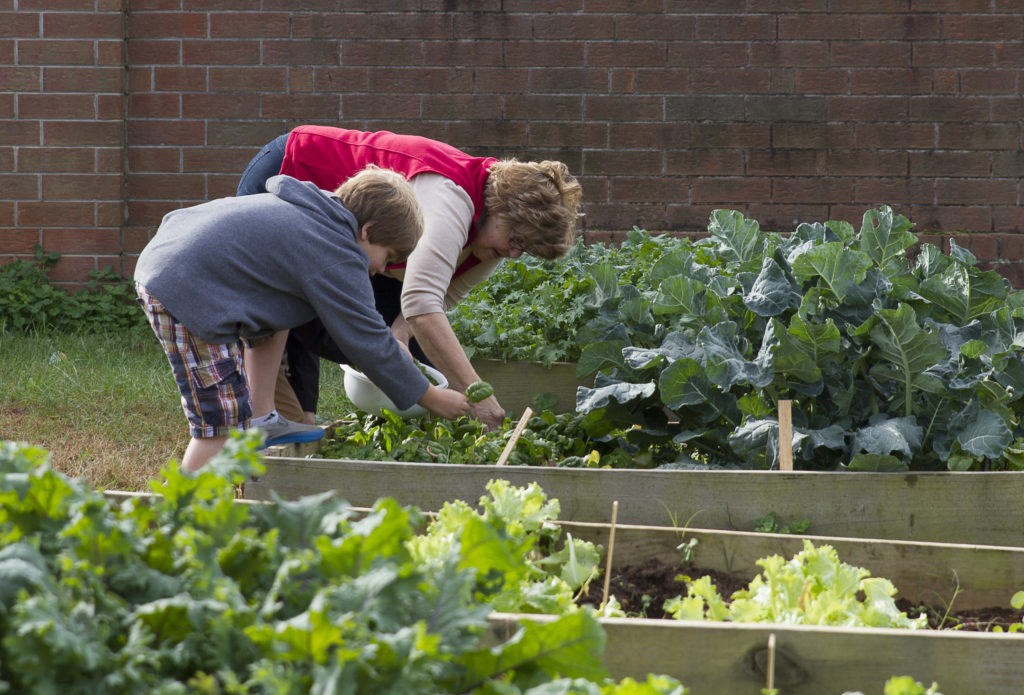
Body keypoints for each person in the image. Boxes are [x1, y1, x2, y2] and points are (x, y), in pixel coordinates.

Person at [236, 125, 584, 429]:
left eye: (524, 249)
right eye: (516, 240)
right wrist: (479, 394)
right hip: (292, 172)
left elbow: (437, 298)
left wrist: (398, 336)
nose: (513, 254)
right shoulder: (450, 200)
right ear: (502, 208)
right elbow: (422, 306)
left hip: (364, 242)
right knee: (296, 307)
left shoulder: (493, 238)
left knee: (411, 347)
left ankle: (300, 424)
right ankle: (267, 423)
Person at [135, 167, 470, 472]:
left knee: (283, 309)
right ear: (368, 231)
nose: (382, 269)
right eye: (389, 256)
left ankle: (263, 418)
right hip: (185, 289)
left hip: (176, 261)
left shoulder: (317, 216)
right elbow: (368, 339)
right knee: (223, 424)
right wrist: (430, 396)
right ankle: (181, 515)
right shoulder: (335, 251)